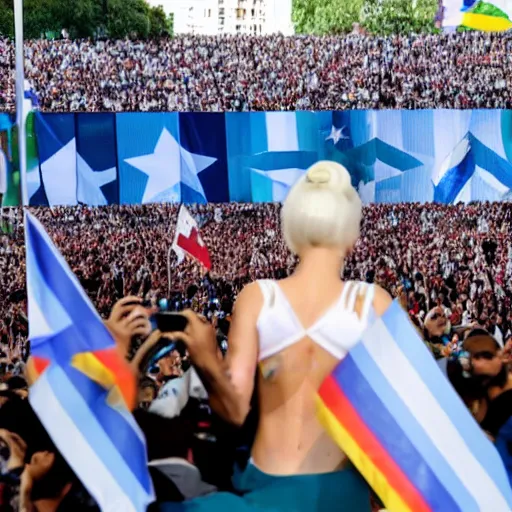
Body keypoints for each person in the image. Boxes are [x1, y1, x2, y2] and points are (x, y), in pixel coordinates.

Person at [158, 161, 392, 511]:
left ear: (292, 226)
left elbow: (234, 411)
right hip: (340, 492)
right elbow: (392, 418)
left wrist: (206, 358)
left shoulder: (258, 297)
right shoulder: (373, 303)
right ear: (351, 233)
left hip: (266, 487)